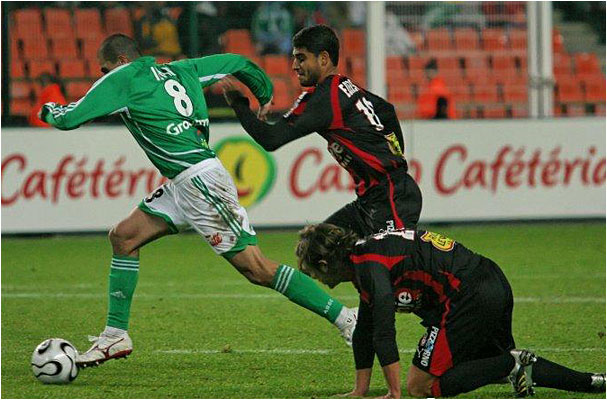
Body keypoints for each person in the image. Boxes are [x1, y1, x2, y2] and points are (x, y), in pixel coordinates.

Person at [38, 34, 357, 368]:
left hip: (200, 183)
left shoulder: (124, 77)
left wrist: (44, 109)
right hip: (184, 182)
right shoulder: (183, 70)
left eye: (104, 70)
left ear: (119, 62)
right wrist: (263, 92)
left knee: (257, 269)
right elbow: (236, 62)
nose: (103, 78)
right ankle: (115, 335)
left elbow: (68, 118)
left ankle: (346, 318)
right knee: (124, 236)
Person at [295, 223, 606, 398]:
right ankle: (592, 382)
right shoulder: (365, 257)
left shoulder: (368, 266)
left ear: (324, 264)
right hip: (491, 282)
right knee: (495, 364)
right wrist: (359, 391)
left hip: (469, 298)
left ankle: (506, 365)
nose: (317, 279)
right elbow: (364, 330)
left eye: (313, 272)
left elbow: (383, 331)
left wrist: (393, 393)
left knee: (421, 386)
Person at [224, 25, 422, 239]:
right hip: (375, 198)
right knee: (317, 247)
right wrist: (393, 154)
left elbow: (271, 139)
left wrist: (238, 104)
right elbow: (387, 110)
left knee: (392, 266)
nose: (294, 66)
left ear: (323, 59)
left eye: (301, 58)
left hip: (391, 197)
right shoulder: (343, 88)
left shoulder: (326, 97)